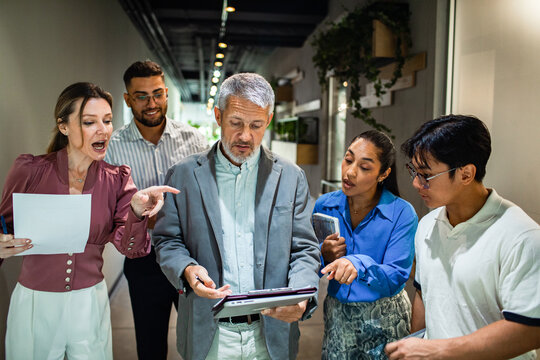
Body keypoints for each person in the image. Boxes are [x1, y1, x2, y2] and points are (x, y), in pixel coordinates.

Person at [0, 82, 178, 359]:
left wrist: (136, 210)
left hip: (90, 302)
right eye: (89, 122)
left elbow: (132, 249)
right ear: (64, 127)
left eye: (107, 121)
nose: (103, 130)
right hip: (35, 303)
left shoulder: (117, 179)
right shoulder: (30, 171)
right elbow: (4, 225)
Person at [152, 72, 321, 360]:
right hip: (211, 333)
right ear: (218, 116)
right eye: (236, 123)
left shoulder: (291, 177)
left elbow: (304, 248)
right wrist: (187, 269)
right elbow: (167, 240)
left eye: (256, 125)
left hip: (271, 335)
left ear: (268, 120)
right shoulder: (184, 175)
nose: (245, 136)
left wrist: (301, 295)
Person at [385, 115, 540, 360]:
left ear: (466, 174)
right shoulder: (427, 225)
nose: (416, 183)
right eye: (413, 171)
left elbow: (529, 329)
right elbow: (424, 295)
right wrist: (415, 344)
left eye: (425, 175)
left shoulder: (521, 236)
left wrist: (438, 351)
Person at [104, 60, 208, 360]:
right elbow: (110, 208)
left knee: (199, 342)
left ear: (166, 93)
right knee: (150, 348)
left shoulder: (194, 140)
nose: (152, 103)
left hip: (190, 256)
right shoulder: (112, 147)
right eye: (141, 96)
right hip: (143, 259)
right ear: (127, 99)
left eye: (158, 94)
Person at [314, 130, 418, 359]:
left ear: (383, 174)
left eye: (365, 167)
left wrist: (356, 263)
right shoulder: (325, 206)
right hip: (338, 314)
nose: (350, 172)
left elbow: (396, 275)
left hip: (386, 317)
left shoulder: (402, 213)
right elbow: (308, 259)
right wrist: (322, 254)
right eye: (348, 160)